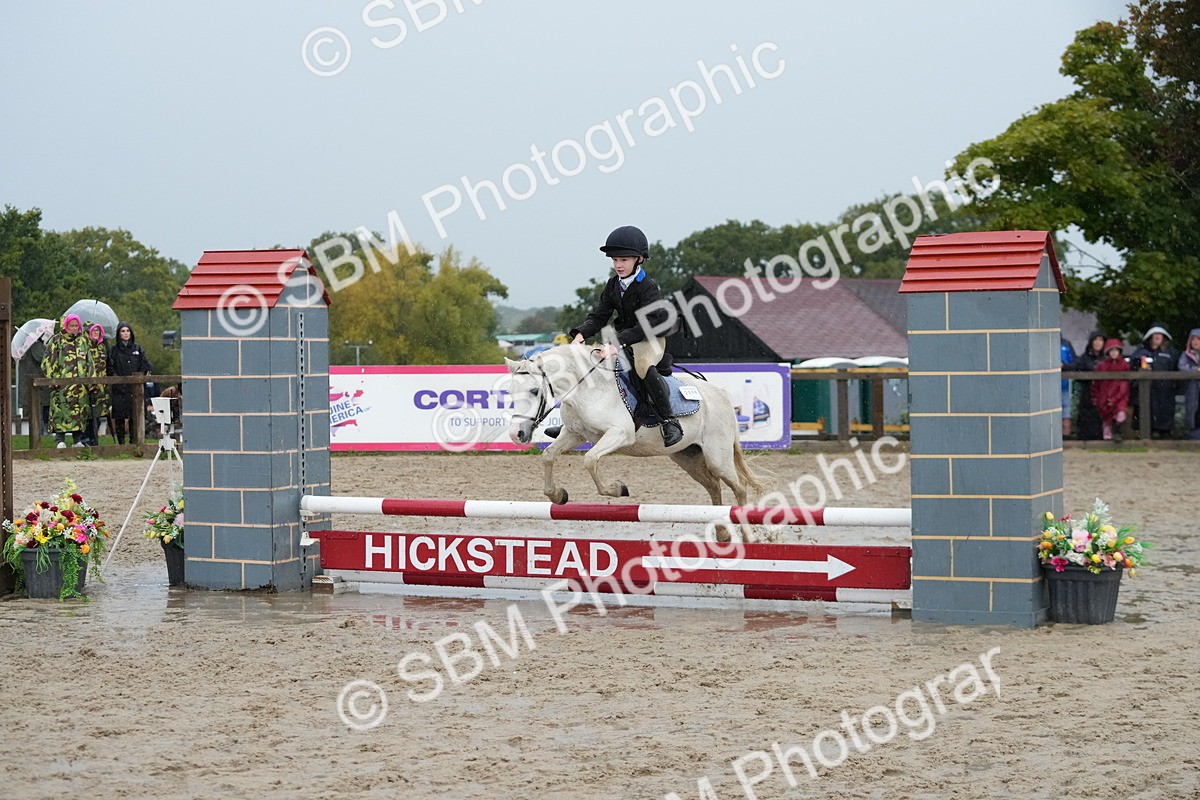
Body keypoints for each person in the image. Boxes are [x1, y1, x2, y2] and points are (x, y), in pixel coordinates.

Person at [563, 225, 682, 446]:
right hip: (625, 338)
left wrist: (617, 343)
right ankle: (574, 423)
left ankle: (669, 421)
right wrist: (581, 333)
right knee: (593, 366)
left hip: (650, 338)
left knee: (643, 366)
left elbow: (647, 325)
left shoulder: (648, 287)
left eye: (624, 260)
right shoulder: (613, 285)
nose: (618, 265)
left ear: (639, 260)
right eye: (615, 260)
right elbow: (600, 316)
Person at [41, 314, 94, 448]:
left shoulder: (83, 341)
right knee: (60, 412)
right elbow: (47, 363)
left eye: (77, 326)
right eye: (72, 325)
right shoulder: (56, 341)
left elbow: (90, 363)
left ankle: (77, 440)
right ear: (66, 325)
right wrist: (53, 380)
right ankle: (60, 440)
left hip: (80, 388)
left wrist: (91, 382)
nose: (75, 328)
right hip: (61, 387)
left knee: (80, 413)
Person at [107, 321, 153, 444]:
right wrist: (118, 381)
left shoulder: (137, 348)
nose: (126, 333)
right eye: (123, 331)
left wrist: (141, 376)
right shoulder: (114, 350)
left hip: (135, 389)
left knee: (135, 416)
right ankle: (121, 443)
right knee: (120, 417)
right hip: (119, 389)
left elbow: (145, 364)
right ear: (118, 333)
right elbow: (110, 368)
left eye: (128, 331)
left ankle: (134, 442)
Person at [1130, 323, 1179, 438]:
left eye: (1160, 334)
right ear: (1150, 336)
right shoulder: (1140, 352)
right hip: (1146, 394)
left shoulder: (1171, 353)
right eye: (1155, 334)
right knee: (1146, 423)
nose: (1157, 336)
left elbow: (1177, 371)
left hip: (1165, 394)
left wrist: (1173, 386)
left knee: (1165, 425)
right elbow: (1133, 366)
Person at [1092, 339, 1131, 441]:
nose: (1114, 352)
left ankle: (1116, 432)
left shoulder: (1124, 365)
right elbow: (1096, 383)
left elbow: (1125, 384)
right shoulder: (1102, 365)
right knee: (1106, 418)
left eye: (1116, 350)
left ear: (1119, 352)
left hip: (1119, 394)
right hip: (1104, 394)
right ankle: (1108, 440)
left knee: (1120, 415)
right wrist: (1096, 396)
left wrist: (1116, 397)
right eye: (1111, 350)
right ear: (1108, 352)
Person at [1074, 331, 1106, 440]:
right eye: (1095, 340)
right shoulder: (1084, 357)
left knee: (1102, 414)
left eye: (1100, 340)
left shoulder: (1107, 357)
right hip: (1088, 392)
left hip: (1104, 393)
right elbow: (1076, 369)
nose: (1098, 342)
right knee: (1086, 414)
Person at [82, 323, 109, 446]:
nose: (96, 333)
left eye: (98, 330)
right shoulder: (83, 346)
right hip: (86, 385)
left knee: (99, 413)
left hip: (101, 385)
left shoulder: (102, 347)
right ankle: (85, 439)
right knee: (86, 414)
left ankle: (94, 439)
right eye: (94, 330)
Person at [1179, 327, 1200, 440]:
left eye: (1198, 339)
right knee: (1192, 412)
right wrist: (1195, 371)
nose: (1196, 342)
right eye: (1193, 339)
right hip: (1192, 389)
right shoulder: (1186, 355)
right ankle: (1193, 437)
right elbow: (1182, 367)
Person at [1059, 337, 1076, 437]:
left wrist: (1064, 366)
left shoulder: (1066, 344)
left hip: (1065, 386)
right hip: (1046, 388)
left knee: (1066, 412)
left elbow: (1074, 363)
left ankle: (1066, 436)